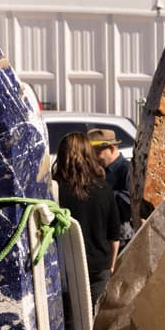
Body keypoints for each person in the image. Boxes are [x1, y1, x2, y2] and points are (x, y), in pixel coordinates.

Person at [53, 132, 120, 309]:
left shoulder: (54, 189)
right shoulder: (104, 188)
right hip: (99, 266)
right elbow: (114, 234)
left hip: (67, 267)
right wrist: (111, 266)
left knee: (71, 323)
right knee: (97, 322)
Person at [87, 127, 134, 243]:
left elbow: (128, 202)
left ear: (112, 149)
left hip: (121, 238)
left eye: (98, 153)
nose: (94, 158)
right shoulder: (96, 171)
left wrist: (102, 196)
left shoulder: (127, 170)